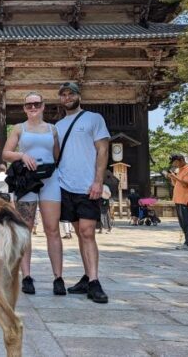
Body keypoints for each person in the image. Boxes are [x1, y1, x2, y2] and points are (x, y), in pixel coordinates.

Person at [2, 92, 66, 296]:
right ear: (24, 108)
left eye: (36, 104)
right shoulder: (19, 128)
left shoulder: (52, 129)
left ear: (43, 106)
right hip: (26, 180)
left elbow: (57, 155)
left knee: (52, 228)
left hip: (49, 179)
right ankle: (27, 276)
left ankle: (58, 277)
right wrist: (22, 155)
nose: (32, 108)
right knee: (25, 228)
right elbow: (5, 153)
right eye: (28, 105)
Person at [55, 82, 110, 303]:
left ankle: (95, 281)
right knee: (79, 232)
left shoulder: (93, 118)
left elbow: (103, 150)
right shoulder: (57, 125)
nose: (67, 97)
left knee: (88, 232)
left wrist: (98, 181)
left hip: (88, 185)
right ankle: (87, 276)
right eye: (64, 95)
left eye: (71, 94)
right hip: (65, 184)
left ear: (79, 96)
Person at [167, 154, 188, 250]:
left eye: (175, 162)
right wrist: (172, 177)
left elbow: (186, 183)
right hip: (178, 199)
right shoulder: (180, 170)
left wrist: (175, 177)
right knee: (182, 223)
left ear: (181, 160)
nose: (174, 164)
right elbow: (175, 184)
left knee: (187, 222)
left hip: (185, 200)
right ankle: (187, 243)